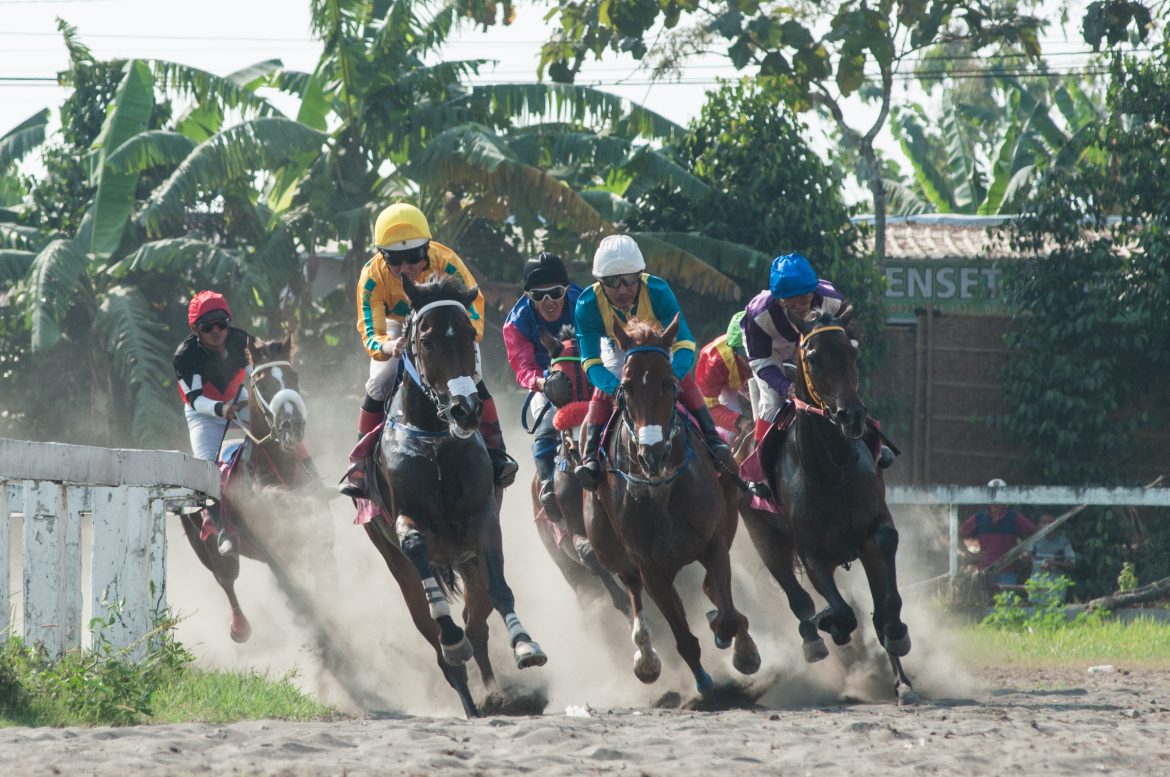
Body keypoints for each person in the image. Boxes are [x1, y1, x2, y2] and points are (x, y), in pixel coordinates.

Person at [338, 203, 518, 498]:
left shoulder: (446, 260)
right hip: (398, 327)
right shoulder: (371, 276)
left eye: (413, 257)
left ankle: (497, 452)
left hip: (446, 327)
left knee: (471, 378)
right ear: (382, 256)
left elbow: (475, 304)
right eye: (395, 260)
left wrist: (464, 338)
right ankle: (360, 465)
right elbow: (370, 331)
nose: (406, 268)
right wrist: (388, 346)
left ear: (427, 249)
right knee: (381, 379)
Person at [573, 234, 733, 490]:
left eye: (630, 279)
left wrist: (675, 377)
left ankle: (714, 442)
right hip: (617, 350)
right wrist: (615, 389)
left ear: (640, 275)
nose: (623, 289)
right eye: (613, 282)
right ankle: (591, 458)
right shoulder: (586, 304)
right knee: (604, 390)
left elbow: (684, 343)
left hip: (657, 346)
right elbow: (591, 362)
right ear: (600, 283)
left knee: (679, 379)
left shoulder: (658, 290)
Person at [741, 252, 894, 467]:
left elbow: (850, 337)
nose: (798, 305)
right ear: (779, 299)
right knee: (772, 400)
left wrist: (845, 363)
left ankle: (872, 444)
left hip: (815, 344)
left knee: (844, 389)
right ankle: (760, 463)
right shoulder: (758, 315)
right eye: (790, 301)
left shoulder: (832, 299)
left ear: (814, 291)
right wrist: (787, 387)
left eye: (804, 297)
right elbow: (761, 363)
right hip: (771, 349)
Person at [503, 252, 583, 521]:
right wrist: (543, 383)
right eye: (539, 296)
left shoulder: (584, 303)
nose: (548, 302)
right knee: (548, 421)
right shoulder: (516, 322)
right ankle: (548, 483)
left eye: (555, 293)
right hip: (546, 379)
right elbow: (523, 366)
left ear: (567, 289)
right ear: (528, 296)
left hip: (587, 369)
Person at [173, 290, 250, 556]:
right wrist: (221, 409)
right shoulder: (185, 356)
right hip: (205, 417)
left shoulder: (244, 341)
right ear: (195, 328)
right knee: (208, 471)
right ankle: (223, 529)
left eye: (222, 323)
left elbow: (258, 376)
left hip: (241, 405)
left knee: (284, 432)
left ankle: (313, 483)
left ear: (229, 320)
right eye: (207, 326)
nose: (216, 331)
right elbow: (195, 399)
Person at [959, 478, 1038, 585]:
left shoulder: (1014, 517)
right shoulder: (979, 518)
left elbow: (1035, 533)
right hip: (984, 571)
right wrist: (970, 554)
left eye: (1000, 492)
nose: (996, 497)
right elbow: (958, 535)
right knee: (984, 601)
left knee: (1007, 600)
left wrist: (1025, 551)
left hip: (1008, 571)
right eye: (992, 493)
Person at [694, 310, 753, 438]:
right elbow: (708, 407)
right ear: (735, 351)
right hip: (726, 383)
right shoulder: (713, 361)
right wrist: (739, 421)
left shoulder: (776, 339)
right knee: (730, 433)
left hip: (758, 378)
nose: (753, 360)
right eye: (746, 356)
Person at [1028, 511, 1077, 599]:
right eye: (1044, 522)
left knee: (1055, 608)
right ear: (1039, 524)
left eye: (1050, 522)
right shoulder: (1034, 541)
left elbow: (1072, 564)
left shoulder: (1064, 542)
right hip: (1037, 581)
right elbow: (1028, 558)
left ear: (1056, 524)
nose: (1047, 525)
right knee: (1035, 609)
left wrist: (1055, 563)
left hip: (1056, 583)